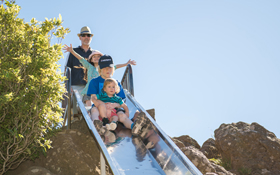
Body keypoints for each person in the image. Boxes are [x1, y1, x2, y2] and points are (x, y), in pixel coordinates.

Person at [87, 55, 147, 137]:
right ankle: (98, 126)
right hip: (99, 108)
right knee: (94, 111)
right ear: (100, 69)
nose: (108, 70)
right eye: (105, 68)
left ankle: (134, 127)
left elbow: (121, 100)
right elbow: (93, 98)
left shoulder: (116, 83)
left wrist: (115, 105)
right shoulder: (94, 81)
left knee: (122, 116)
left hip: (114, 110)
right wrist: (101, 105)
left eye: (110, 67)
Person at [63, 44, 136, 106]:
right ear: (91, 59)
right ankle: (89, 111)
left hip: (100, 90)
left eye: (98, 57)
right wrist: (72, 51)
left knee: (103, 100)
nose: (96, 58)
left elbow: (115, 66)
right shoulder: (89, 66)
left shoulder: (105, 68)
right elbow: (81, 59)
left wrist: (126, 64)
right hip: (90, 89)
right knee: (88, 99)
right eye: (94, 57)